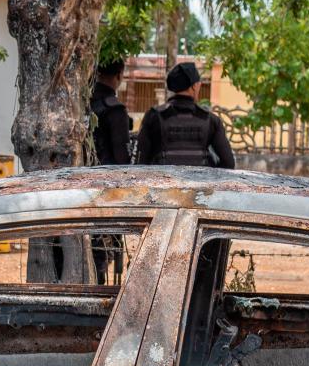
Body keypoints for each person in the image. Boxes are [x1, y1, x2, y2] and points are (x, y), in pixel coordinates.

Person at [135, 60, 235, 168]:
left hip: (162, 184)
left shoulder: (153, 116)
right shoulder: (211, 120)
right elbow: (228, 163)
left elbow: (140, 162)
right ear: (194, 86)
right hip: (201, 183)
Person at [86, 59, 132, 283]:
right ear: (120, 74)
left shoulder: (81, 103)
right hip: (105, 193)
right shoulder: (114, 110)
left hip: (76, 189)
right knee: (102, 253)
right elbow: (122, 160)